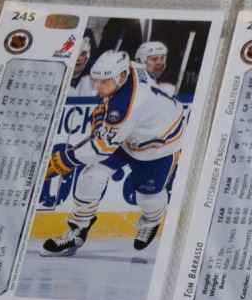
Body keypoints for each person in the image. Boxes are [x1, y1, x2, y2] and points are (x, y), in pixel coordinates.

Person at [41, 47, 191, 255]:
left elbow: (99, 148)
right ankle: (78, 231)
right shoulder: (129, 68)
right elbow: (107, 115)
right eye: (96, 81)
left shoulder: (127, 105)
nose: (99, 87)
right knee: (92, 176)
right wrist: (101, 119)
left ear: (120, 77)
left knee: (148, 196)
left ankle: (152, 220)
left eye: (104, 82)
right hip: (131, 131)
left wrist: (62, 161)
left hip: (160, 143)